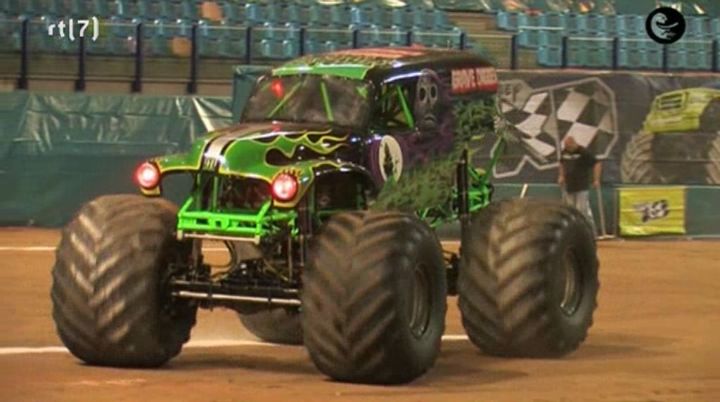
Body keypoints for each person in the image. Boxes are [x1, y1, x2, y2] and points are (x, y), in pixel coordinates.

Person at [558, 136, 602, 234]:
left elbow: (597, 163)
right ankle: (574, 234)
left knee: (583, 211)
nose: (568, 148)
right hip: (569, 186)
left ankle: (590, 233)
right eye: (566, 146)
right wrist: (561, 176)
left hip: (581, 185)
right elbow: (561, 163)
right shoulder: (564, 152)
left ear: (574, 144)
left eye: (569, 146)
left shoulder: (583, 152)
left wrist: (596, 179)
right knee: (570, 211)